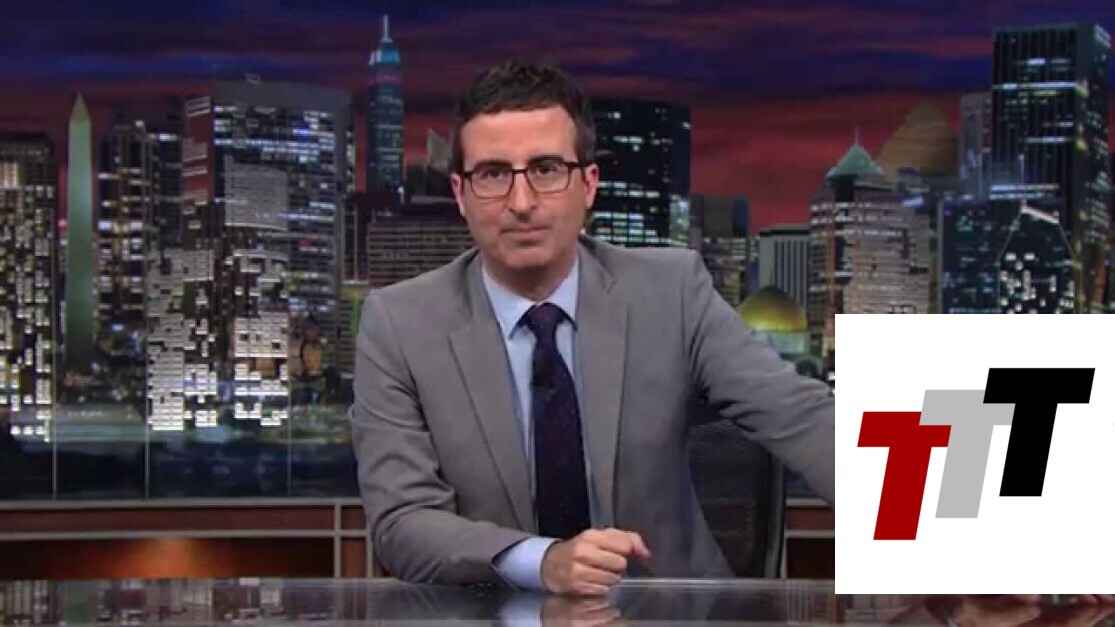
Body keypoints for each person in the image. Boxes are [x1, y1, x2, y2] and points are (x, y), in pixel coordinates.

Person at [349, 61, 835, 596]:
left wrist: (911, 531)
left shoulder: (672, 292)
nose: (521, 203)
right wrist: (543, 561)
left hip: (677, 613)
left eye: (546, 169)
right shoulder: (399, 325)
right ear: (461, 194)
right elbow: (401, 523)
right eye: (493, 174)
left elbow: (803, 416)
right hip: (498, 614)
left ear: (589, 184)